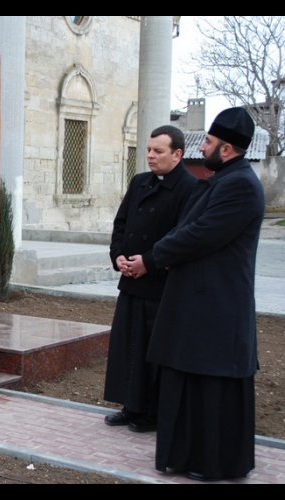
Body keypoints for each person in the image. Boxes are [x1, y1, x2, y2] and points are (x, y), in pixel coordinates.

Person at [126, 107, 264, 481]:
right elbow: (187, 228)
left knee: (212, 387)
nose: (201, 148)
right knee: (191, 382)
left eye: (209, 142)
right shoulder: (221, 180)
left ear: (229, 149)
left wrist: (153, 259)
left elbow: (200, 234)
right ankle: (189, 456)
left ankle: (213, 462)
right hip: (199, 305)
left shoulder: (239, 185)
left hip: (216, 307)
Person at [103, 126, 197, 432]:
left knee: (153, 350)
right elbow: (122, 222)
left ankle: (153, 412)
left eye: (158, 151)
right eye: (148, 150)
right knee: (128, 346)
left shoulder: (190, 188)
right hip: (131, 280)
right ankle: (130, 406)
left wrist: (149, 263)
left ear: (177, 154)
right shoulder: (140, 182)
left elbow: (182, 235)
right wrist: (118, 256)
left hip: (160, 285)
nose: (150, 156)